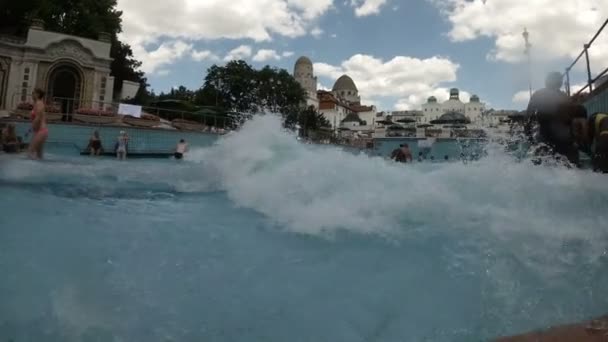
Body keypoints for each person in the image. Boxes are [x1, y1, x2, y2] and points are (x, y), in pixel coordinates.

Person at [28, 88, 48, 160]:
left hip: (41, 131)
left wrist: (30, 129)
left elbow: (38, 118)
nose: (32, 94)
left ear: (38, 94)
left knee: (30, 152)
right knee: (39, 156)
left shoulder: (39, 104)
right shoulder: (37, 104)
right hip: (39, 131)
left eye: (33, 93)